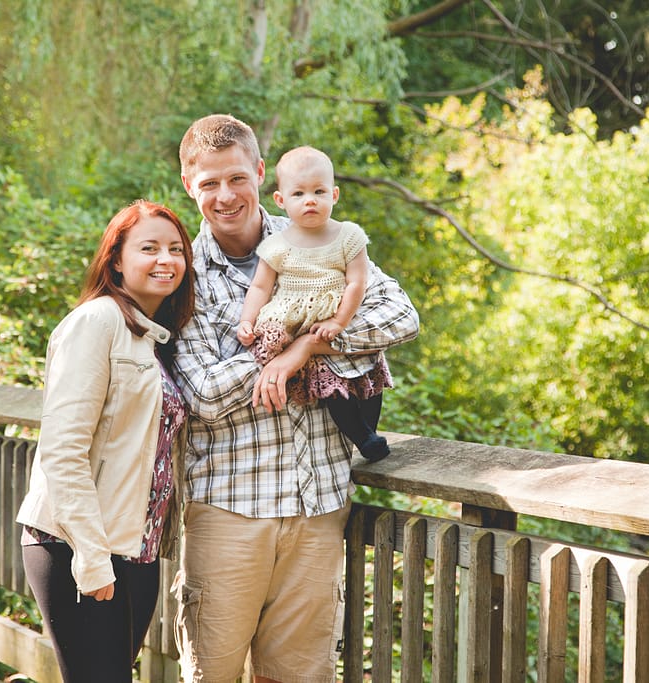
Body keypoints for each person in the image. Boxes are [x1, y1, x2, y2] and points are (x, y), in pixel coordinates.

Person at [172, 114, 420, 683]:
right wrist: (291, 347)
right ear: (190, 187)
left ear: (261, 174)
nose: (225, 195)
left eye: (236, 178)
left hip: (318, 506)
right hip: (229, 509)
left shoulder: (320, 235)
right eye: (209, 183)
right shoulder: (182, 271)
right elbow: (204, 394)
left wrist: (303, 348)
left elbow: (401, 316)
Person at [15, 199, 195, 683]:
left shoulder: (153, 334)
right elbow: (63, 448)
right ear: (116, 258)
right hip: (79, 546)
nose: (166, 260)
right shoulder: (97, 322)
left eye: (176, 249)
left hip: (136, 548)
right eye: (149, 248)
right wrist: (92, 558)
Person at [237, 144, 392, 463]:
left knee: (368, 373)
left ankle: (371, 429)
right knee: (334, 388)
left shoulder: (348, 237)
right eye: (299, 194)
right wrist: (246, 320)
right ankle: (363, 438)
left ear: (334, 195)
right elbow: (260, 286)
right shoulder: (277, 245)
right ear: (281, 200)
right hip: (298, 323)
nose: (310, 200)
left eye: (319, 191)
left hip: (338, 319)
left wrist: (338, 322)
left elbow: (357, 283)